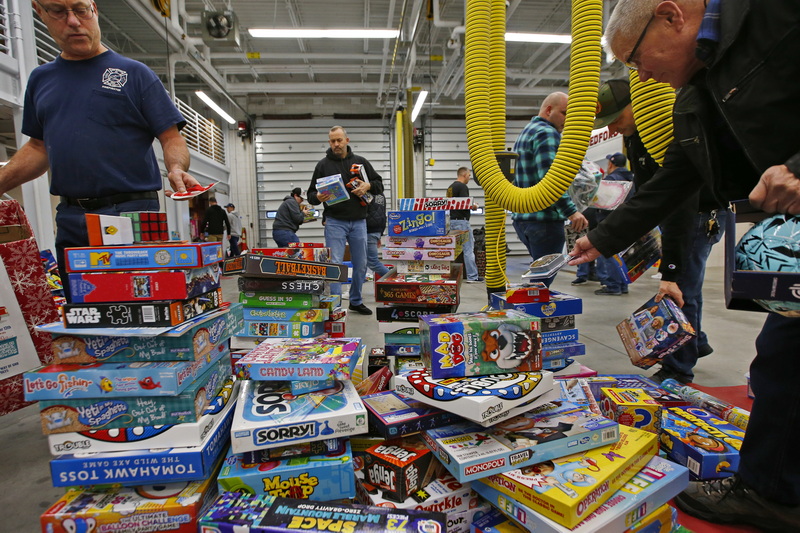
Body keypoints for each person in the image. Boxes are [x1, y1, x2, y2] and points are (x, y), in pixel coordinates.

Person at [569, 0, 800, 529]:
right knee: (782, 355)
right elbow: (676, 178)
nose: (641, 74)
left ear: (672, 17)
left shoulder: (777, 16)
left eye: (637, 59)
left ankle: (773, 491)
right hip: (786, 233)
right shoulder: (699, 90)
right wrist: (604, 240)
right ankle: (773, 489)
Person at [0, 0, 198, 302]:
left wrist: (176, 168)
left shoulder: (135, 74)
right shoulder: (41, 79)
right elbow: (39, 148)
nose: (74, 21)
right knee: (83, 309)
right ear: (40, 13)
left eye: (81, 10)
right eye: (59, 11)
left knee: (137, 304)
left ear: (94, 9)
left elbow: (171, 137)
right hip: (71, 215)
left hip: (129, 211)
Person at [594, 78, 726, 382]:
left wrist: (669, 270)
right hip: (677, 216)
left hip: (697, 214)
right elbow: (648, 194)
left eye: (615, 120)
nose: (612, 129)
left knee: (679, 288)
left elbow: (681, 199)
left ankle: (677, 369)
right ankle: (696, 342)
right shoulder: (638, 138)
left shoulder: (667, 129)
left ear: (636, 103)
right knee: (688, 287)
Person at [512, 92, 588, 286]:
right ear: (548, 110)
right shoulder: (547, 133)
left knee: (538, 277)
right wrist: (571, 212)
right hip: (543, 221)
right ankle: (527, 314)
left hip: (524, 220)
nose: (567, 121)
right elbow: (550, 181)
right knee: (539, 283)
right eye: (564, 113)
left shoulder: (527, 131)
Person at [307, 125, 384, 315]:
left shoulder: (360, 162)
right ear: (329, 142)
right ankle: (334, 304)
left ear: (347, 141)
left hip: (359, 222)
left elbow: (379, 184)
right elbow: (310, 195)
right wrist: (318, 198)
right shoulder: (322, 165)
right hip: (335, 221)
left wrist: (368, 186)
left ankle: (355, 301)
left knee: (361, 264)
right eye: (332, 141)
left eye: (339, 140)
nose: (336, 144)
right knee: (335, 264)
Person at [593, 152, 634, 296]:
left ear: (611, 164)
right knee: (621, 255)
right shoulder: (630, 178)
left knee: (608, 253)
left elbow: (603, 202)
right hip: (626, 221)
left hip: (610, 221)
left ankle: (613, 286)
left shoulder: (611, 179)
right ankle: (623, 285)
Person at [447, 167, 482, 283]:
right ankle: (472, 276)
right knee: (468, 250)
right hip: (462, 222)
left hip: (452, 221)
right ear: (464, 175)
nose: (469, 178)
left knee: (454, 250)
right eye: (469, 175)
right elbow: (465, 204)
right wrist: (474, 206)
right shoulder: (462, 187)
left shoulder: (450, 187)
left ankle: (451, 275)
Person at [365, 192, 390, 280]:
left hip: (368, 230)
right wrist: (380, 233)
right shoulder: (381, 194)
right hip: (375, 230)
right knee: (362, 261)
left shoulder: (366, 192)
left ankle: (394, 279)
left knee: (372, 262)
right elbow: (382, 214)